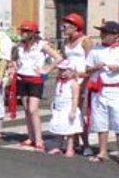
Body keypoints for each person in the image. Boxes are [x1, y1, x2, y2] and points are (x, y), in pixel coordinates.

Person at [11, 21, 62, 151]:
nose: (23, 33)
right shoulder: (19, 46)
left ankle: (39, 139)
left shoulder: (41, 45)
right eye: (22, 31)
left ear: (33, 33)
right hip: (22, 77)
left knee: (33, 109)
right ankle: (31, 137)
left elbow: (58, 58)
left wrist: (46, 69)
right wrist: (15, 66)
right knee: (26, 109)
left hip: (35, 79)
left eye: (26, 31)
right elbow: (15, 59)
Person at [60, 13, 95, 155]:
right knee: (68, 111)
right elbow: (64, 60)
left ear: (75, 26)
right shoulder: (66, 42)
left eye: (66, 25)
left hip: (81, 80)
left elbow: (91, 63)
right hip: (68, 80)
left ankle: (86, 144)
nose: (63, 27)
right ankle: (73, 142)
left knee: (78, 112)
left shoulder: (85, 41)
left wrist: (84, 80)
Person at [84, 20, 119, 163]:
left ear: (115, 35)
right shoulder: (95, 50)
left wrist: (116, 67)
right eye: (101, 32)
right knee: (100, 121)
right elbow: (87, 69)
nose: (102, 34)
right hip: (99, 90)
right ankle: (102, 151)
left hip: (116, 89)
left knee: (118, 122)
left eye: (105, 32)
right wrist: (96, 67)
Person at [47, 60, 82, 157]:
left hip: (68, 109)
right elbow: (57, 94)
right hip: (59, 109)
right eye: (61, 70)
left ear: (72, 72)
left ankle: (70, 148)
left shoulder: (73, 83)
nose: (62, 73)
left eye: (65, 70)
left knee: (69, 130)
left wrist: (73, 110)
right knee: (59, 128)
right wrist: (54, 104)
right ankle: (58, 146)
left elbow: (75, 98)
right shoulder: (59, 82)